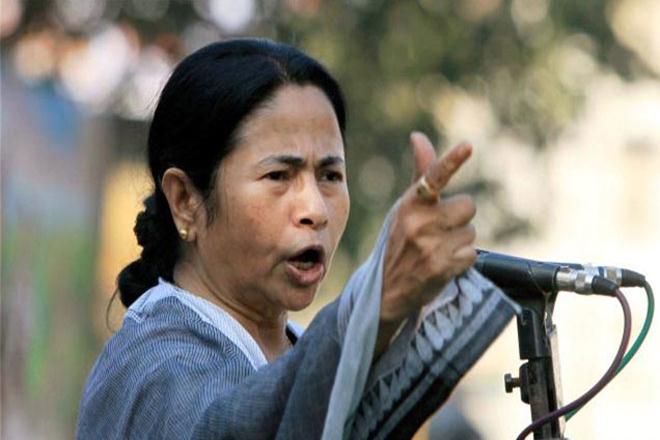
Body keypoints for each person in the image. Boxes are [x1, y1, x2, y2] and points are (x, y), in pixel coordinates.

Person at [76, 38, 516, 439]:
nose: (315, 209)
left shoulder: (293, 348)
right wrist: (372, 308)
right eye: (278, 176)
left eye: (330, 175)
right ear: (185, 200)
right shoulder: (159, 366)